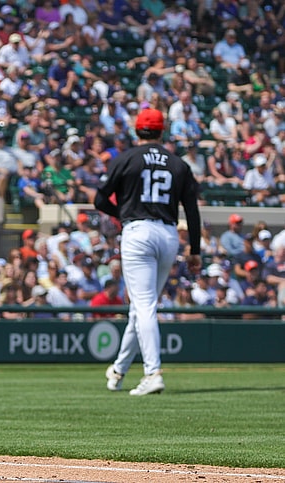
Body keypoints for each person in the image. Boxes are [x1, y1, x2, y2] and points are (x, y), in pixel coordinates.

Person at [97, 108, 201, 396]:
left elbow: (99, 198)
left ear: (137, 130)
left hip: (138, 231)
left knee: (144, 306)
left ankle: (153, 372)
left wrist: (124, 211)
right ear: (161, 131)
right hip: (168, 234)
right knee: (142, 307)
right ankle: (119, 369)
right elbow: (192, 210)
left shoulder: (126, 158)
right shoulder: (178, 163)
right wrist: (195, 249)